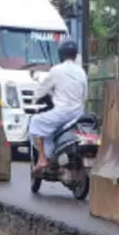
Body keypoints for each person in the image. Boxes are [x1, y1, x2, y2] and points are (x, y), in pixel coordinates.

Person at [29, 39, 87, 175]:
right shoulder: (81, 72)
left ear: (60, 54)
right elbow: (85, 96)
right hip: (79, 113)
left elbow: (41, 90)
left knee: (35, 122)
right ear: (75, 55)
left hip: (62, 113)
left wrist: (34, 99)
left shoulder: (56, 70)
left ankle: (42, 159)